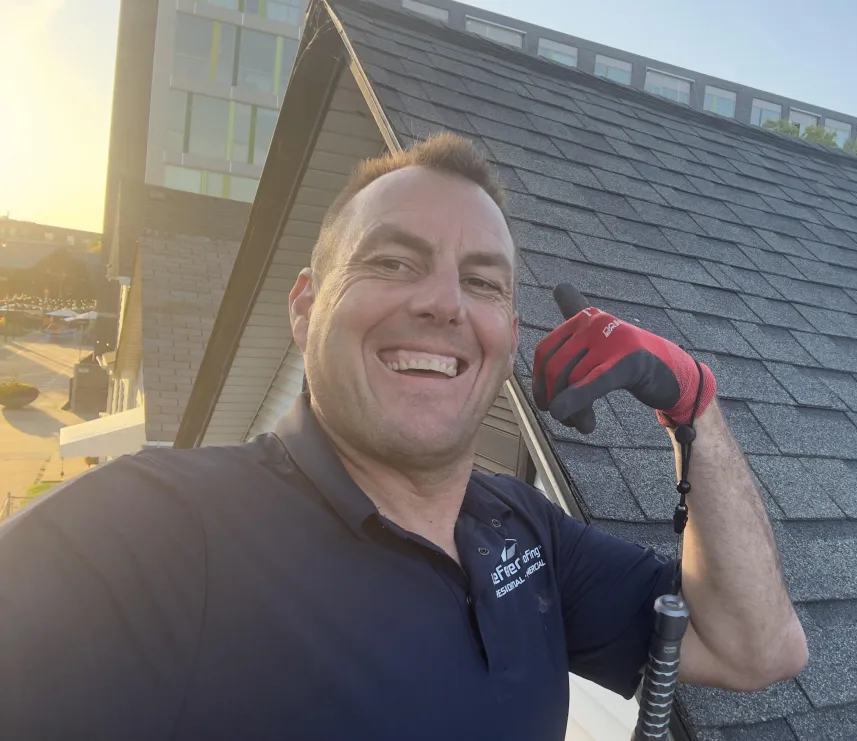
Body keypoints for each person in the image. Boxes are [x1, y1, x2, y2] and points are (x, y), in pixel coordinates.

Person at [0, 133, 806, 740]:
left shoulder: (525, 533)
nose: (446, 304)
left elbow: (755, 648)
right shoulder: (150, 536)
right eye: (393, 262)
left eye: (483, 281)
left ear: (509, 329)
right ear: (307, 305)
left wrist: (693, 406)